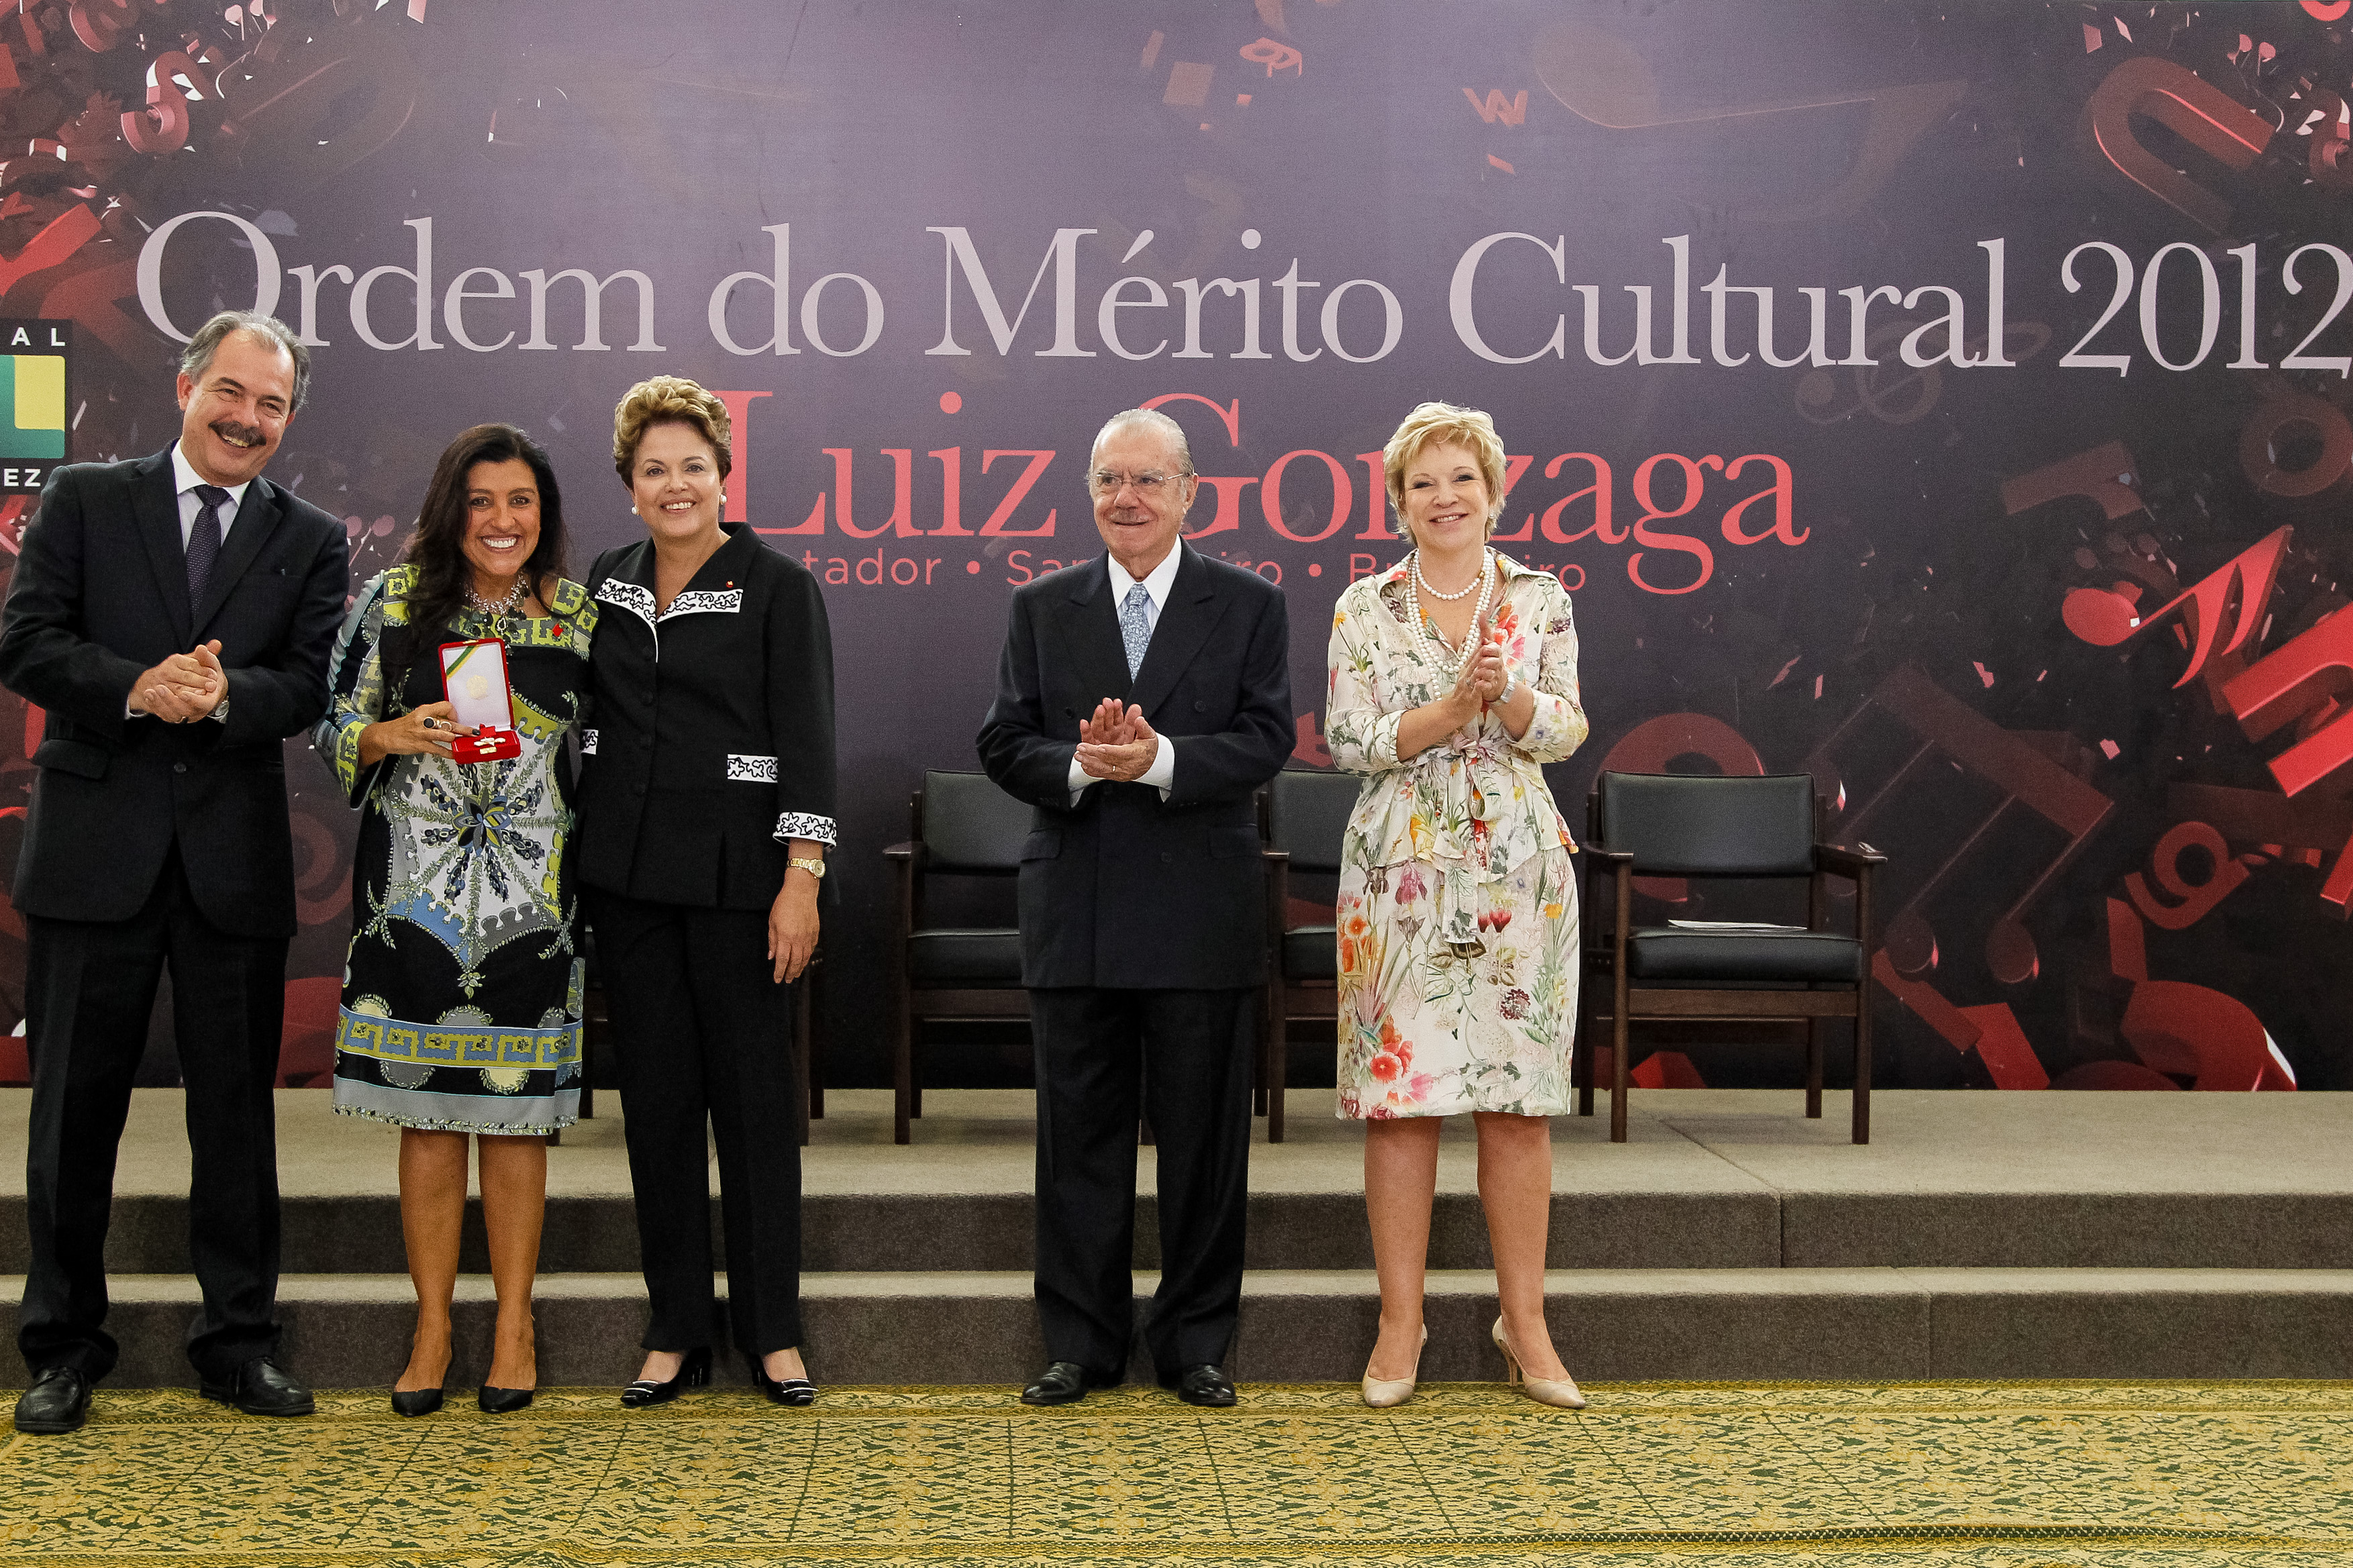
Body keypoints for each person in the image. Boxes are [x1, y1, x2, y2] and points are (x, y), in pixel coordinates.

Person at [0, 311, 348, 1434]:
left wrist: (228, 697)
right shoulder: (87, 498)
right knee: (71, 1121)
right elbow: (26, 639)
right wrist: (135, 686)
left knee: (238, 1121)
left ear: (290, 419)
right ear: (186, 384)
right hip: (94, 855)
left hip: (230, 868)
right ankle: (60, 1347)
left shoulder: (313, 535)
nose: (249, 419)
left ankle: (240, 1344)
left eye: (273, 405)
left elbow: (306, 684)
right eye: (233, 393)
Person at [978, 407, 1293, 1409]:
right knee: (1078, 1142)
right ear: (1089, 492)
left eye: (1149, 481)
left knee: (1204, 1147)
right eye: (1110, 479)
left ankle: (1195, 1340)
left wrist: (1156, 759)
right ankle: (1080, 1340)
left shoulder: (1246, 603)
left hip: (1199, 911)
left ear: (1189, 493)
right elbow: (1002, 741)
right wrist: (1077, 761)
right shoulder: (1041, 605)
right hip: (1078, 907)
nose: (1128, 498)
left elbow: (1266, 737)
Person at [313, 424, 592, 1416]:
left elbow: (606, 758)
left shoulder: (578, 618)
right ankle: (432, 1322)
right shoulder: (391, 602)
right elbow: (330, 719)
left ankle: (513, 1322)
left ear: (544, 515)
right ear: (451, 508)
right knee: (429, 1120)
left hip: (534, 904)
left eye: (520, 501)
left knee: (516, 1120)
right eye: (481, 501)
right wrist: (389, 731)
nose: (502, 521)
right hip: (412, 896)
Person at [1325, 401, 1591, 1410]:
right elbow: (1348, 735)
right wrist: (1448, 710)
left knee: (1516, 1107)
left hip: (1517, 873)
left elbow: (1563, 725)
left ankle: (1523, 1323)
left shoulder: (1541, 595)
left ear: (1494, 493)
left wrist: (1510, 700)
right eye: (1424, 482)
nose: (1445, 497)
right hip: (1399, 874)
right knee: (1401, 1106)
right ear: (1398, 501)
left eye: (1461, 479)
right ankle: (1402, 1322)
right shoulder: (1364, 605)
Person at [577, 376, 834, 1408]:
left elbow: (808, 743)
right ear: (629, 486)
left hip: (742, 888)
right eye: (654, 469)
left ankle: (772, 1329)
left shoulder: (776, 584)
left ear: (723, 475)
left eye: (692, 465)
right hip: (628, 885)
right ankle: (675, 1324)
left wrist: (800, 881)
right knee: (659, 1110)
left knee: (755, 1111)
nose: (674, 484)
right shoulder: (602, 580)